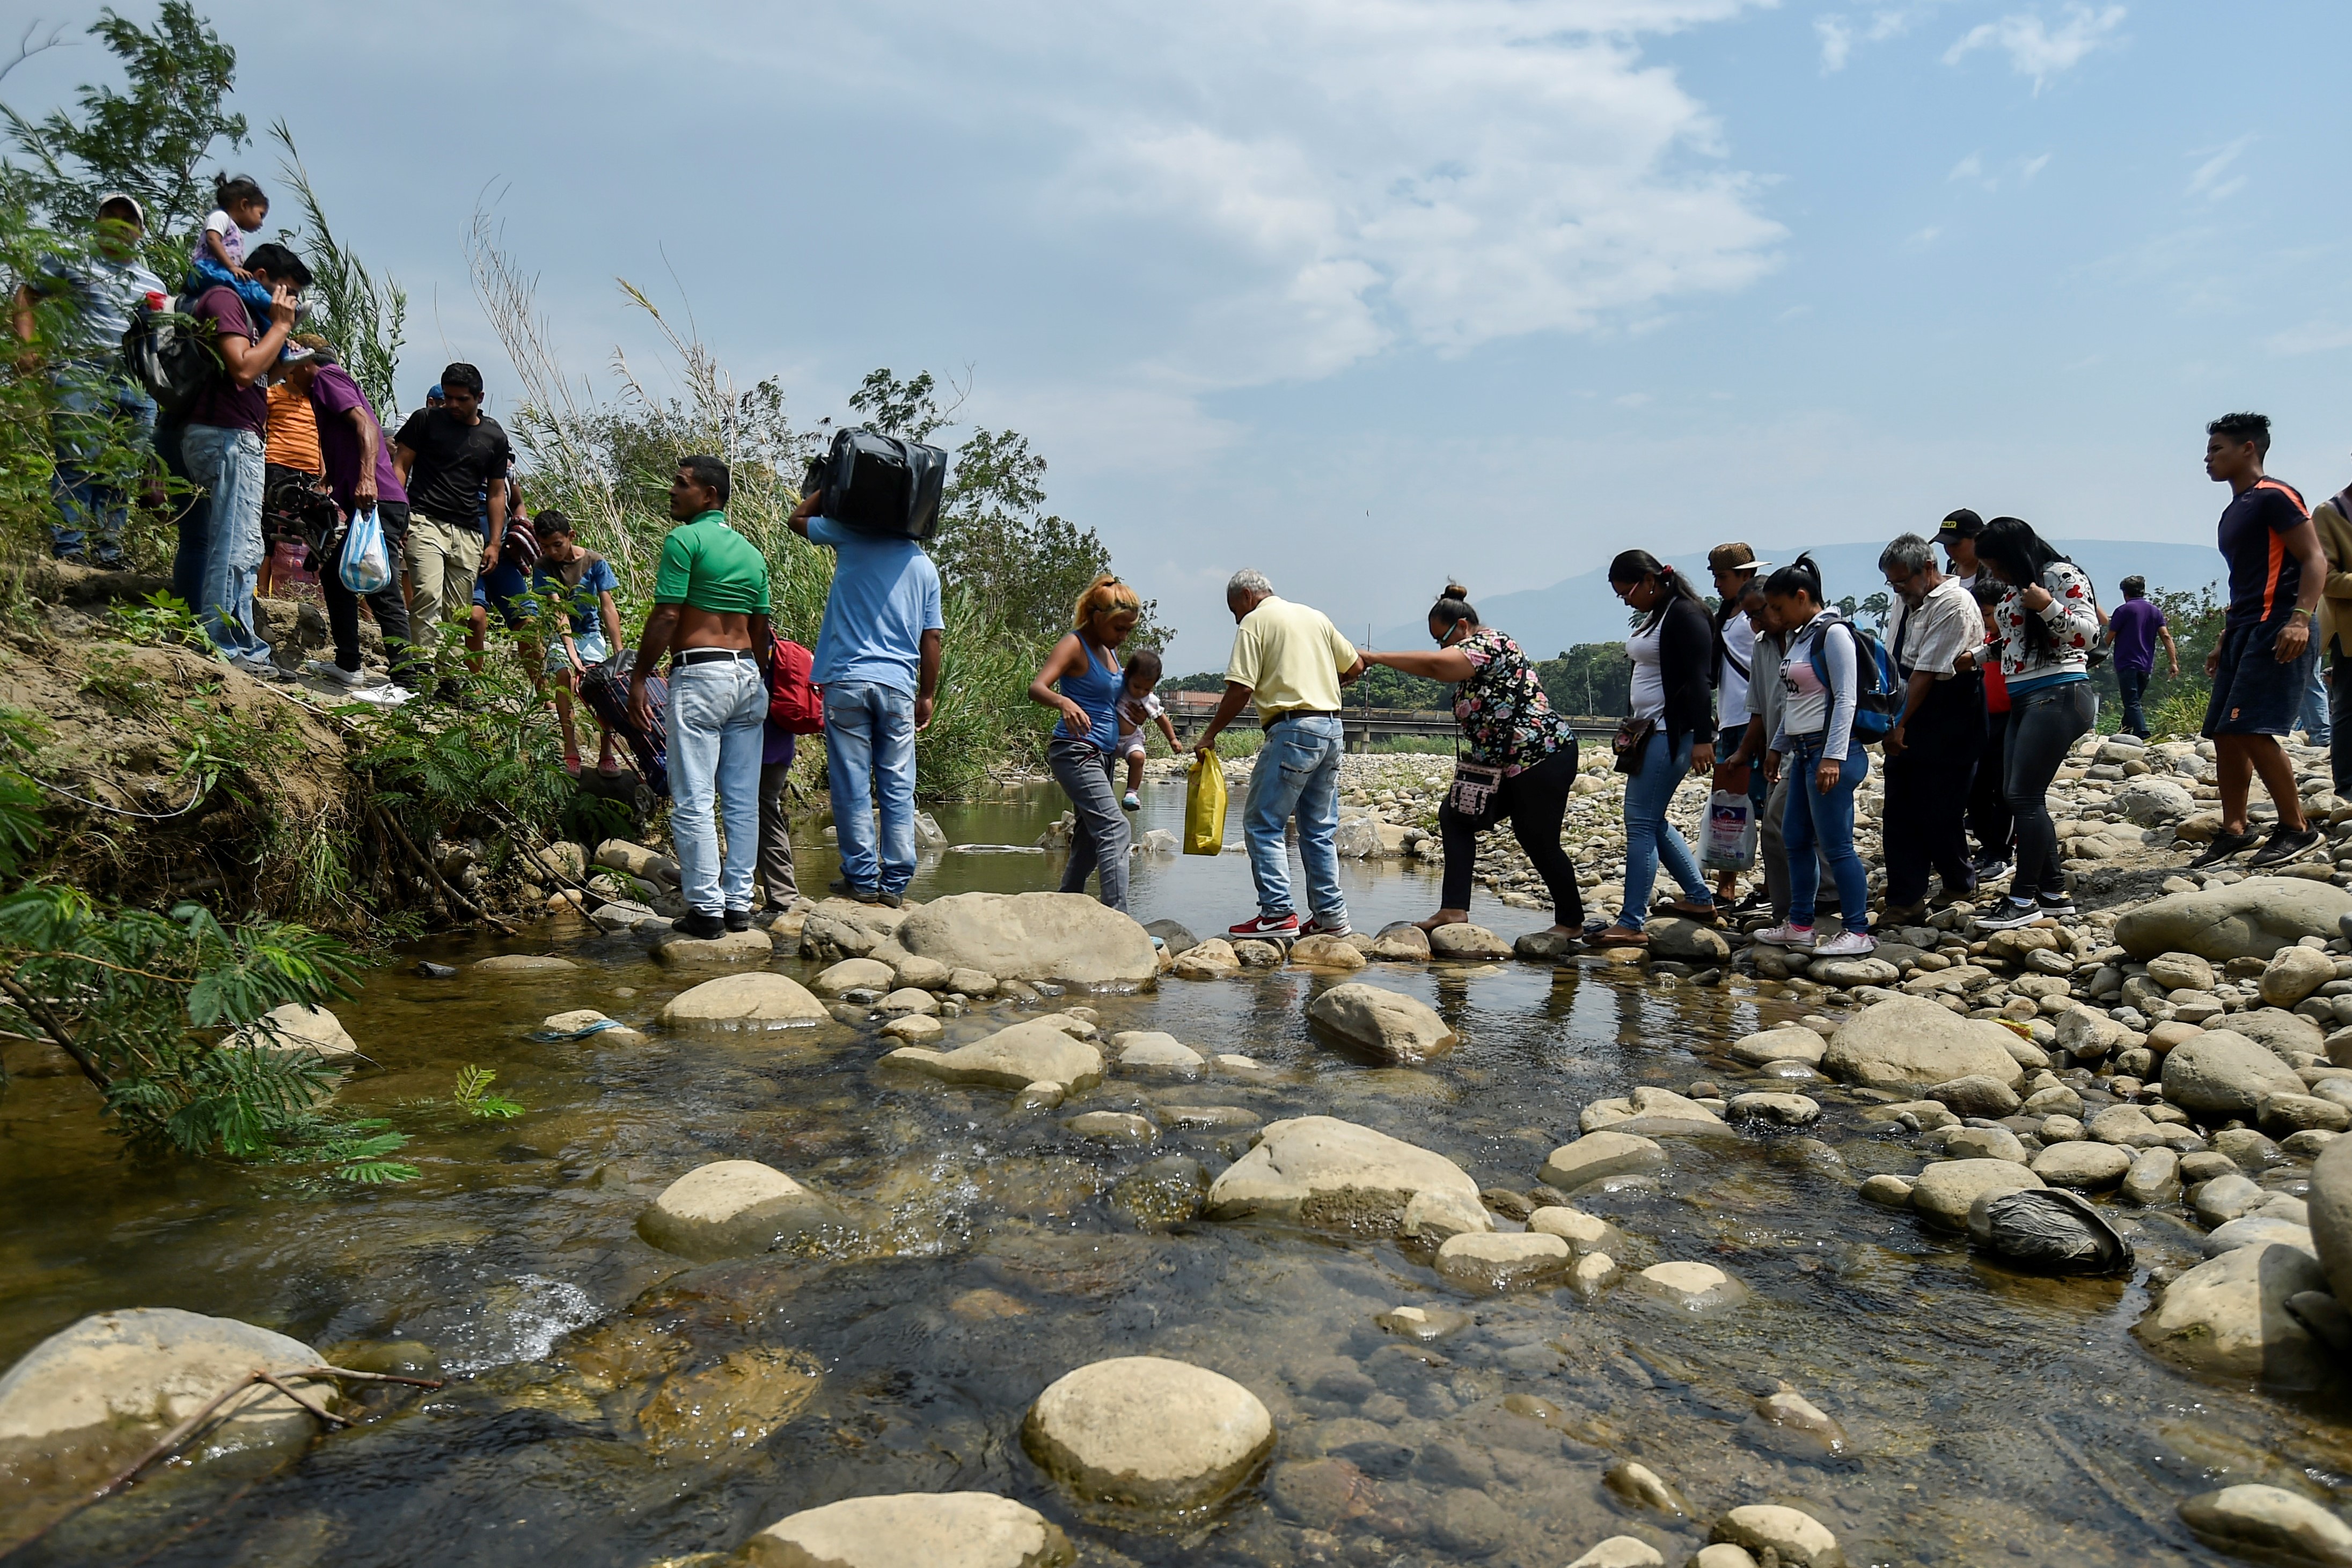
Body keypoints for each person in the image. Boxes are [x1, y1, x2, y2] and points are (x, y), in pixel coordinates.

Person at [1359, 584, 1584, 943]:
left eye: (1442, 639)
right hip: (1498, 764)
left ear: (1462, 626)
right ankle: (1453, 908)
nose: (1441, 648)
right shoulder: (1470, 651)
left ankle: (1571, 921)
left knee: (1537, 837)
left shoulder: (1491, 644)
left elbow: (1437, 666)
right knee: (1455, 817)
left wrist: (1374, 657)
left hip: (1540, 755)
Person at [630, 457, 773, 937]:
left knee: (693, 798)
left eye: (681, 485)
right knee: (740, 800)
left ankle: (706, 911)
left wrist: (639, 677)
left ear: (708, 495)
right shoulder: (752, 554)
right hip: (748, 678)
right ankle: (738, 906)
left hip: (701, 676)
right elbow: (760, 632)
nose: (672, 491)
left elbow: (667, 616)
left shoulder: (683, 540)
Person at [787, 472, 944, 907]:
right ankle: (894, 885)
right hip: (897, 686)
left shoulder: (849, 536)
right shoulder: (923, 567)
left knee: (851, 782)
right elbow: (932, 639)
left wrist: (834, 486)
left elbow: (797, 520)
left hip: (847, 681)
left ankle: (861, 877)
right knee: (897, 784)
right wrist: (927, 694)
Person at [1192, 569, 1362, 939]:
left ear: (1247, 598)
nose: (1236, 618)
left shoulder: (1254, 622)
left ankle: (1277, 914)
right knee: (1317, 830)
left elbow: (1240, 689)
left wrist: (1209, 734)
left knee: (1262, 823)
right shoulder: (1314, 617)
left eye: (1234, 610)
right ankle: (1331, 919)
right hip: (1332, 729)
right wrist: (1325, 684)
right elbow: (1355, 666)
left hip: (1293, 729)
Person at [2189, 413, 2327, 871]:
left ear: (2248, 448)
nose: (2207, 459)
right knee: (2225, 733)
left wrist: (2301, 619)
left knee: (2248, 726)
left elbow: (2313, 558)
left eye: (2217, 450)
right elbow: (2247, 582)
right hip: (2245, 627)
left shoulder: (2275, 496)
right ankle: (2234, 828)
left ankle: (2297, 827)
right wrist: (2224, 637)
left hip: (2279, 625)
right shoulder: (2235, 509)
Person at [9, 192, 166, 568]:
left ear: (140, 231)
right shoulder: (70, 260)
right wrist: (28, 345)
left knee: (122, 469)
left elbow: (160, 338)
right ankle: (70, 548)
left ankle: (109, 551)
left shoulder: (152, 281)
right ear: (97, 222)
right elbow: (26, 296)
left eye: (126, 220)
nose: (117, 224)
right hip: (80, 373)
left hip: (135, 383)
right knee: (78, 460)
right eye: (109, 216)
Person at [1970, 517, 2104, 928]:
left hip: (2061, 693)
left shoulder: (2061, 577)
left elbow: (2090, 637)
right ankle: (2052, 892)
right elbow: (2016, 641)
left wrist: (2047, 605)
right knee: (2021, 797)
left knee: (2023, 797)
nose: (1993, 575)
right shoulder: (2017, 586)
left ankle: (2022, 900)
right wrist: (1975, 659)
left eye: (1995, 565)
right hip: (2025, 697)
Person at [180, 241, 304, 678]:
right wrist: (282, 325)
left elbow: (267, 373)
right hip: (226, 437)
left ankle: (244, 643)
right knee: (234, 545)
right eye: (287, 292)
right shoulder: (225, 299)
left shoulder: (250, 315)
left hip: (239, 438)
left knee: (245, 547)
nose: (290, 303)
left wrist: (280, 335)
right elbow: (244, 369)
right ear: (263, 276)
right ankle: (222, 642)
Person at [275, 341, 417, 694]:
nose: (291, 374)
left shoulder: (327, 377)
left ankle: (406, 681)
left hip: (378, 501)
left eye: (293, 367)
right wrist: (329, 481)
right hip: (373, 501)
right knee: (336, 575)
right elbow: (348, 441)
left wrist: (366, 477)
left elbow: (366, 428)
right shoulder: (331, 384)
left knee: (383, 588)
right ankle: (348, 664)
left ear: (307, 362)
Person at [1756, 554, 1875, 955]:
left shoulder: (1833, 634)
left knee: (1837, 845)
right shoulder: (1800, 636)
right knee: (1795, 839)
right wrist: (1777, 748)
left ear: (1802, 596)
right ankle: (1800, 924)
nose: (1774, 616)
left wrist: (1833, 756)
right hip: (1803, 753)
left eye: (1778, 607)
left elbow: (1845, 699)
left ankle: (1857, 930)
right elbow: (1795, 701)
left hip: (1830, 756)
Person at [1599, 550, 1717, 947]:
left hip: (1672, 733)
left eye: (1627, 592)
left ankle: (1631, 922)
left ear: (1650, 581)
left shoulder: (1685, 615)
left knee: (1640, 823)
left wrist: (1703, 738)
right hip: (1651, 731)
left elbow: (1701, 681)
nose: (1625, 600)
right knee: (1649, 820)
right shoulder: (1659, 613)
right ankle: (1700, 899)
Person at [1878, 533, 1984, 925]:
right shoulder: (1904, 603)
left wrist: (1899, 724)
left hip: (1946, 711)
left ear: (1927, 568)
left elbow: (1927, 671)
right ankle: (1905, 898)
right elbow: (1894, 658)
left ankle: (1958, 878)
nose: (1898, 588)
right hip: (1906, 700)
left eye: (1903, 580)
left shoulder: (1953, 604)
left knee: (1938, 807)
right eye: (1893, 583)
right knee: (1900, 807)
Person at [1725, 580, 1838, 927]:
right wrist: (1747, 751)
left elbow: (1840, 696)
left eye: (1763, 612)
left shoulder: (1808, 638)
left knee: (1784, 822)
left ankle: (1821, 898)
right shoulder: (1761, 646)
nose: (1758, 623)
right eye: (1752, 617)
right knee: (1778, 828)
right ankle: (1786, 907)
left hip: (1812, 746)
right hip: (1781, 747)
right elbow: (1760, 706)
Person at [393, 362, 513, 688]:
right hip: (424, 520)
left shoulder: (494, 436)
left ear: (479, 398)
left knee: (458, 612)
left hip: (469, 533)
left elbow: (497, 492)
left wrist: (495, 542)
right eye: (448, 398)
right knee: (427, 594)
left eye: (462, 399)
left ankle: (448, 679)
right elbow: (401, 465)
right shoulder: (425, 420)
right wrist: (397, 512)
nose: (454, 405)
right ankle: (422, 671)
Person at [1029, 576, 1145, 911]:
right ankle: (1119, 921)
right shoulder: (1074, 645)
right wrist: (1064, 703)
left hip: (1103, 755)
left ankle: (1067, 905)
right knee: (1115, 829)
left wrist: (1132, 711)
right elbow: (1037, 687)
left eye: (1128, 630)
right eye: (1118, 628)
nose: (1123, 636)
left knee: (1090, 839)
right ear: (1096, 617)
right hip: (1076, 752)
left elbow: (1108, 699)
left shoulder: (1109, 651)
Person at [528, 510, 623, 774]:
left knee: (603, 685)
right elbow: (558, 610)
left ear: (571, 536)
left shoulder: (595, 561)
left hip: (590, 632)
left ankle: (607, 752)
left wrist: (619, 652)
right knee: (565, 675)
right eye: (545, 546)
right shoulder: (543, 566)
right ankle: (571, 749)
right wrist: (571, 652)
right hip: (560, 634)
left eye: (557, 545)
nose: (553, 551)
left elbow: (607, 607)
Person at [1706, 543, 1770, 910]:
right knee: (1728, 807)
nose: (1717, 584)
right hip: (1730, 719)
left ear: (1745, 576)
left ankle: (1772, 882)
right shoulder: (1727, 616)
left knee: (1762, 804)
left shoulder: (1755, 614)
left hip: (1754, 719)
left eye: (1723, 577)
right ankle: (1726, 886)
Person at [1967, 580, 2015, 880]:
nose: (1984, 621)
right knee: (1977, 788)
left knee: (2004, 788)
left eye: (1987, 614)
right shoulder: (1982, 641)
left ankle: (2002, 850)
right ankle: (1987, 846)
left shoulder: (2015, 641)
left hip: (2012, 719)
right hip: (1982, 720)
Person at [188, 173, 276, 314]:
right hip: (207, 269)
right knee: (248, 285)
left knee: (246, 301)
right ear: (245, 205)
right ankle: (275, 306)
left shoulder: (233, 227)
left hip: (218, 271)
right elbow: (213, 239)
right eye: (261, 215)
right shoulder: (220, 217)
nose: (261, 223)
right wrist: (232, 267)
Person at [2313, 479, 2352, 794]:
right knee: (2349, 706)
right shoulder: (2330, 513)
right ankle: (2348, 784)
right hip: (2348, 629)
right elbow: (2328, 579)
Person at [2107, 576, 2178, 739]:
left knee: (2131, 702)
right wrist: (2173, 662)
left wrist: (2095, 656)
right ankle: (2124, 732)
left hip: (2126, 663)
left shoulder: (2123, 611)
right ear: (2143, 591)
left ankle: (2143, 734)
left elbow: (2109, 638)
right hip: (2146, 665)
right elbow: (2166, 636)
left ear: (2125, 594)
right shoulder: (2155, 611)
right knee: (2134, 701)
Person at [1115, 647, 1178, 811]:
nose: (1141, 692)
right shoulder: (1118, 683)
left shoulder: (1148, 700)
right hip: (1110, 741)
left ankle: (1131, 793)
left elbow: (1161, 718)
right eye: (1137, 687)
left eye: (1147, 689)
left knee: (1138, 758)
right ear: (1127, 675)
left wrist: (1172, 739)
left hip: (1131, 739)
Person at [1937, 509, 1983, 594]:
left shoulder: (1996, 572)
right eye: (1945, 544)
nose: (1949, 550)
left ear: (1977, 539)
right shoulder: (1951, 568)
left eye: (1955, 544)